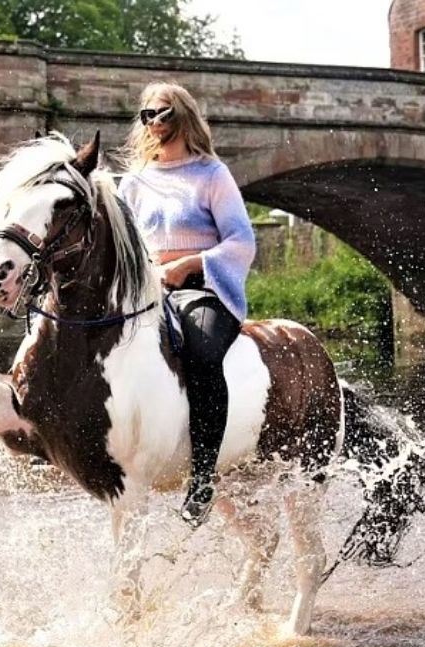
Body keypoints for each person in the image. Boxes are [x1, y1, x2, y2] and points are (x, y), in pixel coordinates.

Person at [118, 82, 256, 528]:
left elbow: (242, 240)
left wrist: (189, 264)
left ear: (183, 117)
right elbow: (122, 245)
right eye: (147, 116)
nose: (154, 124)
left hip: (204, 290)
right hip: (147, 292)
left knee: (201, 354)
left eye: (163, 115)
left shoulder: (211, 174)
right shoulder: (134, 180)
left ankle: (201, 477)